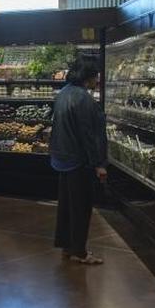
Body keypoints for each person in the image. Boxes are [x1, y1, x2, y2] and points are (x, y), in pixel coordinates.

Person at [50, 60, 108, 265]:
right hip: (78, 160)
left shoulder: (63, 93)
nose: (97, 80)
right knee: (81, 208)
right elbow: (89, 135)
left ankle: (67, 245)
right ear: (88, 78)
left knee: (66, 206)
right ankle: (80, 251)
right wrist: (99, 164)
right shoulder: (84, 100)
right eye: (96, 76)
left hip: (61, 157)